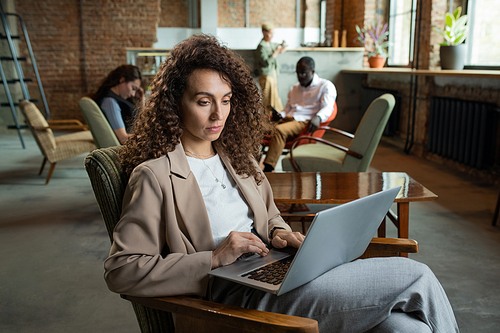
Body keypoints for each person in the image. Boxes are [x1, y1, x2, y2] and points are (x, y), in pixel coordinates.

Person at [103, 34, 459, 333]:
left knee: (407, 329)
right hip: (234, 299)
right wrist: (212, 258)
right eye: (203, 102)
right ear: (174, 104)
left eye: (225, 101)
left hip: (278, 272)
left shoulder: (237, 160)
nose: (218, 115)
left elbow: (270, 217)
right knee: (418, 277)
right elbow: (122, 269)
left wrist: (278, 233)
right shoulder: (155, 175)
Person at [262, 56, 338, 172]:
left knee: (279, 130)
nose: (300, 77)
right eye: (298, 73)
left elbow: (328, 108)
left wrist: (318, 117)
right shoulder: (294, 89)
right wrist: (280, 114)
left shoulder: (325, 86)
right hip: (287, 118)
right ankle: (246, 162)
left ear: (312, 71)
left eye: (304, 73)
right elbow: (287, 109)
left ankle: (268, 168)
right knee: (254, 124)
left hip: (304, 121)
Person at [90, 65, 144, 144]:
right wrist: (149, 137)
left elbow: (142, 119)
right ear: (122, 80)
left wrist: (141, 100)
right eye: (133, 88)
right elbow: (123, 138)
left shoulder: (118, 99)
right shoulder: (110, 103)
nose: (133, 94)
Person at [255, 22, 286, 112]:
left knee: (274, 97)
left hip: (272, 74)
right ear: (264, 32)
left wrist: (283, 47)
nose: (272, 35)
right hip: (266, 75)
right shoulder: (261, 46)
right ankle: (265, 119)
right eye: (270, 33)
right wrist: (276, 52)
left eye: (273, 33)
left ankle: (275, 118)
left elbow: (281, 47)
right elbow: (266, 63)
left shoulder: (270, 44)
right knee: (267, 99)